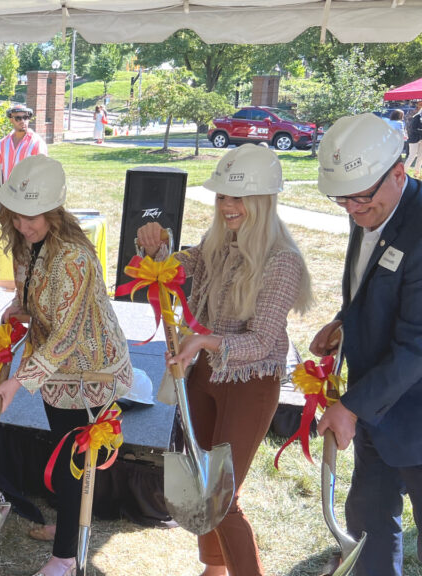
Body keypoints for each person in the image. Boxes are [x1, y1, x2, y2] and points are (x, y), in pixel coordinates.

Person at [135, 144, 313, 576]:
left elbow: (263, 342)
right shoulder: (218, 240)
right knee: (200, 483)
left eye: (239, 198)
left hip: (250, 384)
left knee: (222, 497)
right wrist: (156, 248)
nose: (228, 206)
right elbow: (176, 266)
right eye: (223, 197)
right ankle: (214, 569)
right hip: (204, 378)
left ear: (263, 201)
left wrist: (203, 342)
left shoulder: (282, 261)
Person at [0, 155, 133, 576]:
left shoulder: (74, 258)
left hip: (90, 372)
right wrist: (18, 308)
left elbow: (68, 334)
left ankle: (66, 557)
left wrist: (19, 381)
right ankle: (68, 526)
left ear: (54, 210)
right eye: (16, 216)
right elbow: (35, 298)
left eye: (32, 217)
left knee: (75, 465)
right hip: (58, 374)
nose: (23, 225)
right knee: (66, 456)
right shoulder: (25, 245)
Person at [309, 113, 422, 576]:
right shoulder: (372, 205)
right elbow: (371, 283)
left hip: (412, 408)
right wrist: (344, 321)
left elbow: (417, 345)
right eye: (342, 200)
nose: (351, 210)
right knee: (368, 523)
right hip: (377, 405)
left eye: (359, 199)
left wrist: (351, 407)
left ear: (398, 172)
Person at [0, 103, 48, 183]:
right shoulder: (2, 144)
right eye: (18, 118)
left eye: (25, 117)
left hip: (27, 193)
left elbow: (43, 171)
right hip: (7, 193)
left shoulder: (37, 143)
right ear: (11, 120)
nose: (23, 121)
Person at [405, 101, 422, 178]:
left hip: (420, 139)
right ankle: (404, 172)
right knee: (412, 156)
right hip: (413, 139)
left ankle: (417, 173)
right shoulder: (416, 117)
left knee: (421, 156)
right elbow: (413, 128)